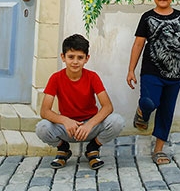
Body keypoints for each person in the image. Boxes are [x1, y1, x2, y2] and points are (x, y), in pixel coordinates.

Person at [126, 0, 180, 165]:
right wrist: (131, 70)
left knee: (166, 111)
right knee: (149, 102)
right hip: (151, 71)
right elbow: (138, 44)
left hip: (176, 75)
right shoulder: (147, 18)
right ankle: (142, 112)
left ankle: (158, 150)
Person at [36, 33, 125, 170]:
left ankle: (92, 148)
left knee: (117, 121)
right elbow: (45, 111)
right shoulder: (56, 78)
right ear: (63, 57)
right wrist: (65, 121)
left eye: (80, 57)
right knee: (42, 127)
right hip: (68, 128)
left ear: (86, 59)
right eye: (71, 57)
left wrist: (89, 125)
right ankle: (63, 149)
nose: (75, 62)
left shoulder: (92, 77)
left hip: (90, 127)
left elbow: (107, 107)